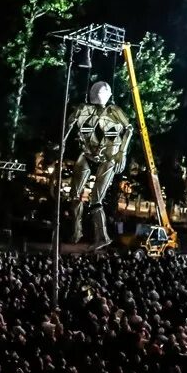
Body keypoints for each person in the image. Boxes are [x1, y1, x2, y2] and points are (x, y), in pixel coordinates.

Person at [65, 81, 134, 248]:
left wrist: (121, 153)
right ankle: (77, 231)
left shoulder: (113, 111)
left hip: (108, 157)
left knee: (96, 199)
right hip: (88, 153)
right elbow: (68, 126)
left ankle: (101, 236)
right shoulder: (84, 110)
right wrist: (62, 142)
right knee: (75, 194)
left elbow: (129, 129)